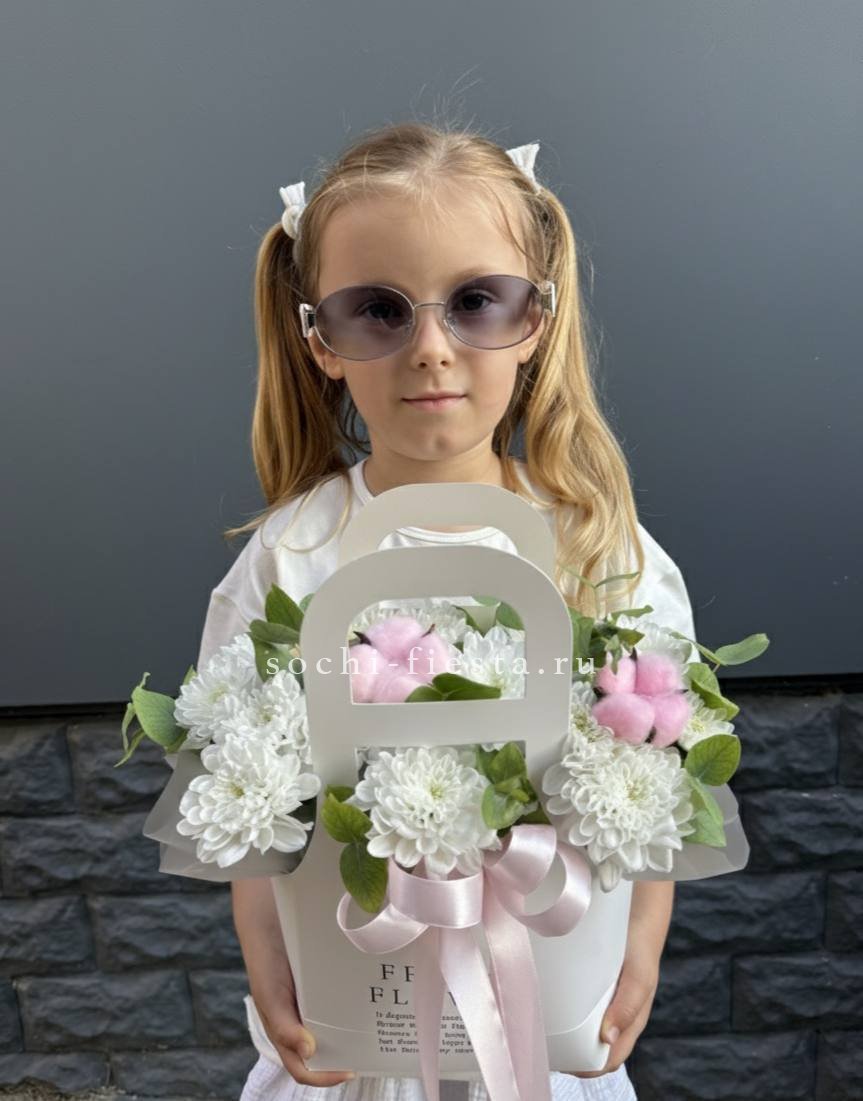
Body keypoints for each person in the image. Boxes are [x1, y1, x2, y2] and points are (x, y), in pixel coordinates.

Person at [196, 122, 699, 1101]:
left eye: (475, 302)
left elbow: (661, 781)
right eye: (376, 311)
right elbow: (244, 800)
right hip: (357, 1025)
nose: (430, 349)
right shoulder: (293, 557)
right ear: (320, 341)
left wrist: (636, 949)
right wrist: (271, 968)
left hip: (537, 1017)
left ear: (536, 317)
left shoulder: (596, 549)